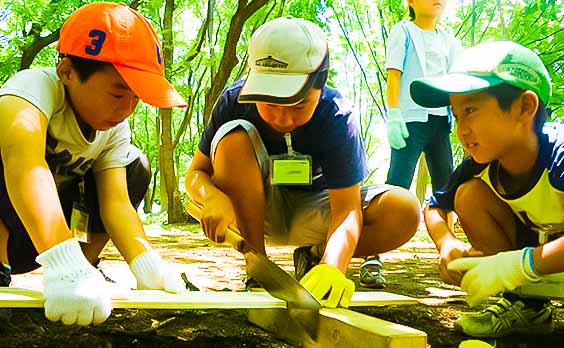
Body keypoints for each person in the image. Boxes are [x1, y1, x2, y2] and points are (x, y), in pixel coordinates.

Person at [184, 16, 420, 308]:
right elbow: (195, 174)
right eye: (270, 103)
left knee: (404, 209)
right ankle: (258, 269)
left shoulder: (336, 115)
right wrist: (211, 197)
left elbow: (346, 211)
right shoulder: (235, 102)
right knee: (233, 137)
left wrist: (333, 265)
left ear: (320, 86)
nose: (283, 118)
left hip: (318, 211)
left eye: (298, 105)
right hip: (254, 212)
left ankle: (314, 257)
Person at [0, 2, 188, 326]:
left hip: (40, 240)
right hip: (22, 228)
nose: (127, 109)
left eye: (136, 98)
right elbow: (24, 165)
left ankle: (83, 273)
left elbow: (116, 204)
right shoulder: (30, 90)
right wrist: (62, 261)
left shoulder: (115, 128)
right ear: (68, 73)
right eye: (118, 95)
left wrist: (146, 265)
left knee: (136, 166)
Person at [410, 40, 562, 338]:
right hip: (535, 270)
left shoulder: (560, 154)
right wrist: (446, 243)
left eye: (471, 110)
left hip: (536, 263)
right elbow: (434, 206)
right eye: (456, 115)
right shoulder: (482, 165)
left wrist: (520, 264)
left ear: (524, 107)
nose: (460, 129)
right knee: (468, 195)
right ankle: (526, 304)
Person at [375, 0, 461, 287]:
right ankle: (372, 255)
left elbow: (456, 81)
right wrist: (394, 115)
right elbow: (393, 73)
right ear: (410, 2)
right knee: (397, 185)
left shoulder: (449, 39)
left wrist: (460, 117)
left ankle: (451, 256)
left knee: (446, 187)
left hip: (441, 120)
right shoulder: (403, 31)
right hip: (410, 119)